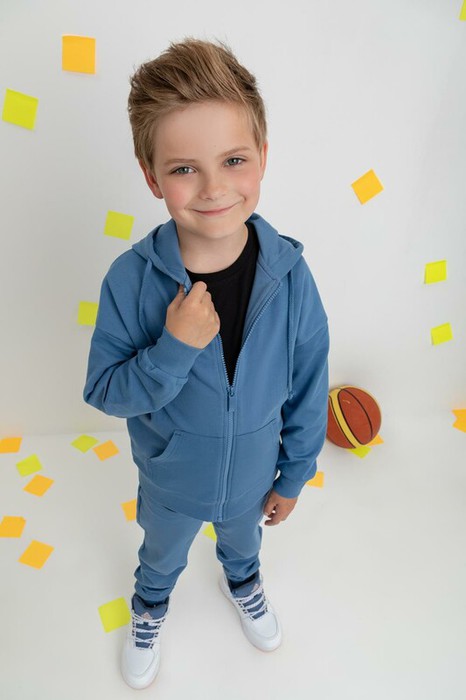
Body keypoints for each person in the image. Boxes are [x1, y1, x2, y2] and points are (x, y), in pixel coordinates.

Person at [83, 37, 329, 690]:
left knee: (244, 543)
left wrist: (294, 473)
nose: (215, 187)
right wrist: (175, 348)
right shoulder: (130, 280)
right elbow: (105, 390)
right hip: (171, 478)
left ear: (263, 157)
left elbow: (310, 384)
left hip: (254, 475)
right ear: (151, 176)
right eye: (185, 168)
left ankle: (243, 582)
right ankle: (149, 605)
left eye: (234, 160)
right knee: (161, 553)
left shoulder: (291, 276)